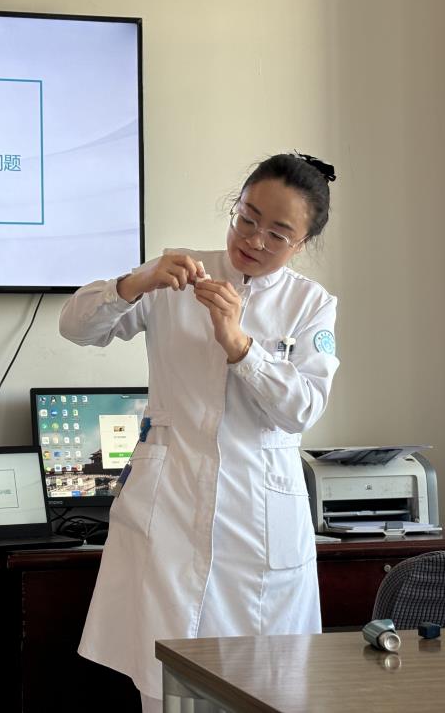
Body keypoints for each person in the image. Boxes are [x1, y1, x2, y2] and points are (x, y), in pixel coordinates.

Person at [59, 152, 339, 712]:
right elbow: (76, 327)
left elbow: (303, 409)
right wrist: (134, 283)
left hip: (258, 525)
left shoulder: (310, 304)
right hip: (168, 516)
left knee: (265, 690)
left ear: (302, 243)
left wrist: (241, 346)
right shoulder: (178, 276)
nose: (254, 239)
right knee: (166, 689)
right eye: (247, 218)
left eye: (277, 233)